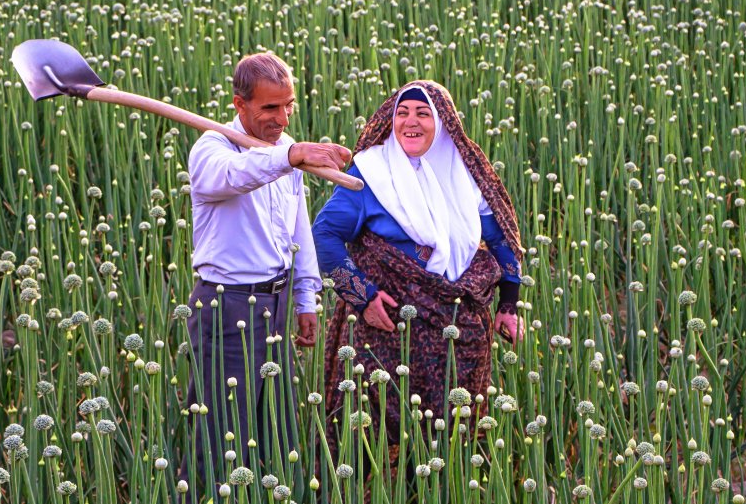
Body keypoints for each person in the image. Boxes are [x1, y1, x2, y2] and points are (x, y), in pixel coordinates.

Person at [313, 80, 524, 461]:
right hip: (388, 331)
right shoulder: (370, 174)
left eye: (423, 113)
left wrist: (509, 304)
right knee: (373, 436)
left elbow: (502, 238)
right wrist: (361, 296)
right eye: (402, 113)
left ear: (442, 123)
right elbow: (325, 233)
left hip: (459, 331)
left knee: (453, 440)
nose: (411, 122)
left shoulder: (464, 175)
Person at [180, 51, 351, 495]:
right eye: (270, 108)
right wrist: (289, 155)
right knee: (220, 431)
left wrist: (305, 298)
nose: (282, 116)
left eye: (288, 104)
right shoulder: (212, 149)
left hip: (274, 302)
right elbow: (234, 176)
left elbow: (299, 229)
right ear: (240, 105)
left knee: (270, 426)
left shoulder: (284, 152)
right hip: (226, 304)